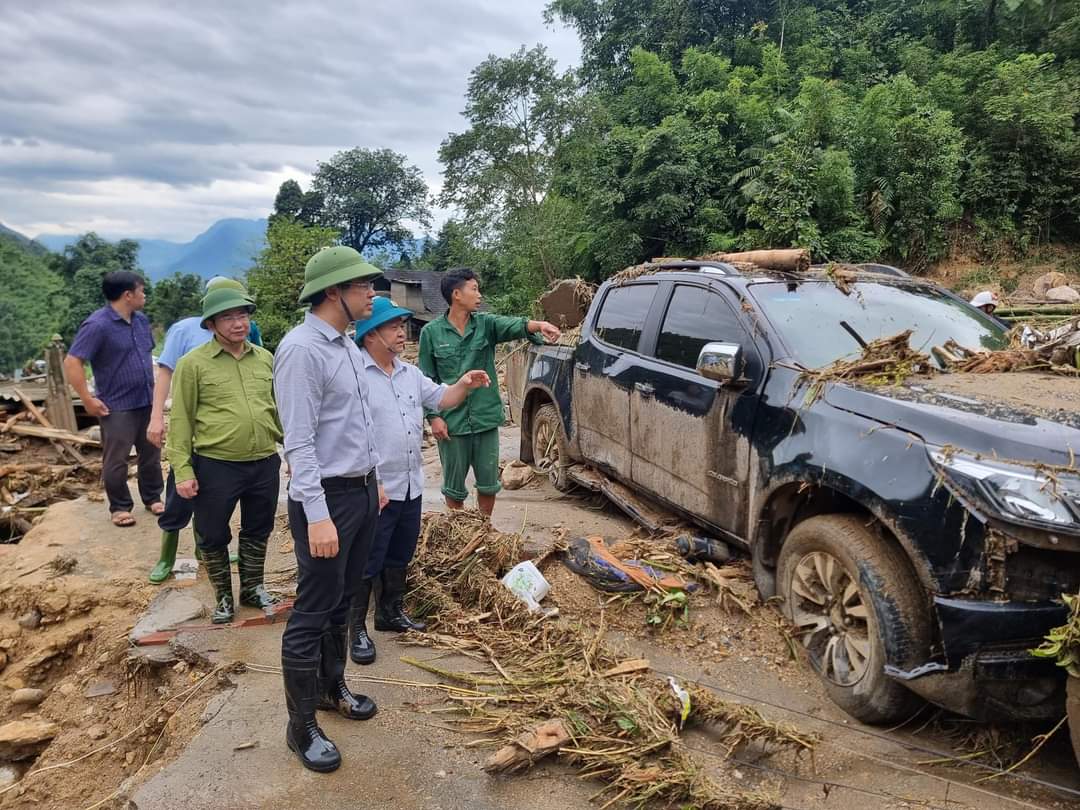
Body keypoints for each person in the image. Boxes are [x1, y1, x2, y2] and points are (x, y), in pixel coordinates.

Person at [273, 246, 387, 773]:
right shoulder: (302, 350)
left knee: (344, 602)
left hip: (360, 491)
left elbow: (353, 424)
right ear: (333, 292)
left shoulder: (344, 344)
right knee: (312, 611)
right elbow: (298, 443)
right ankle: (300, 727)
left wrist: (375, 482)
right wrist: (317, 515)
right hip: (327, 501)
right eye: (364, 285)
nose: (372, 293)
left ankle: (331, 688)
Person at [350, 297, 490, 665]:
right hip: (376, 487)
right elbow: (351, 434)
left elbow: (442, 399)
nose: (402, 333)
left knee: (400, 552)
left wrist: (464, 383)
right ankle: (356, 630)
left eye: (401, 326)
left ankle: (390, 612)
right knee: (367, 559)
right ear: (370, 335)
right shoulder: (355, 376)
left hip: (410, 483)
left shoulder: (408, 373)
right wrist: (371, 480)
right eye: (394, 327)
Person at [165, 286, 282, 624]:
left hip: (263, 460)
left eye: (243, 315)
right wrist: (183, 470)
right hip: (216, 464)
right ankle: (223, 597)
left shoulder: (264, 358)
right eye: (228, 317)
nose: (238, 323)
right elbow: (182, 420)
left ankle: (252, 588)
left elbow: (277, 411)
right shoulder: (193, 364)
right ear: (212, 324)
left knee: (259, 528)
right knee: (213, 532)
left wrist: (296, 450)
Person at [418, 267, 561, 517]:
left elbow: (514, 325)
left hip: (485, 419)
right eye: (474, 289)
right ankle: (458, 528)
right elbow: (426, 379)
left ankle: (484, 528)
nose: (479, 294)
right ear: (456, 294)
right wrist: (434, 417)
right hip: (452, 422)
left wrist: (539, 325)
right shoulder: (431, 333)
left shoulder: (486, 325)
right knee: (453, 487)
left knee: (487, 482)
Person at [147, 276, 253, 583]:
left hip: (222, 441)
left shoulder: (246, 330)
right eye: (224, 311)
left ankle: (204, 552)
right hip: (190, 433)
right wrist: (156, 417)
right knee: (178, 498)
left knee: (210, 501)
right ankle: (166, 557)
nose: (235, 319)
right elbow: (165, 374)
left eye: (239, 310)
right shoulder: (184, 330)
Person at [64, 271, 163, 527]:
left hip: (146, 399)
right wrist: (86, 399)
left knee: (151, 452)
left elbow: (146, 356)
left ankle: (153, 497)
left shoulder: (140, 321)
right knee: (117, 458)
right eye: (141, 290)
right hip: (117, 405)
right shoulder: (97, 325)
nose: (145, 295)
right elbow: (73, 361)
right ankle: (119, 506)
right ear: (127, 295)